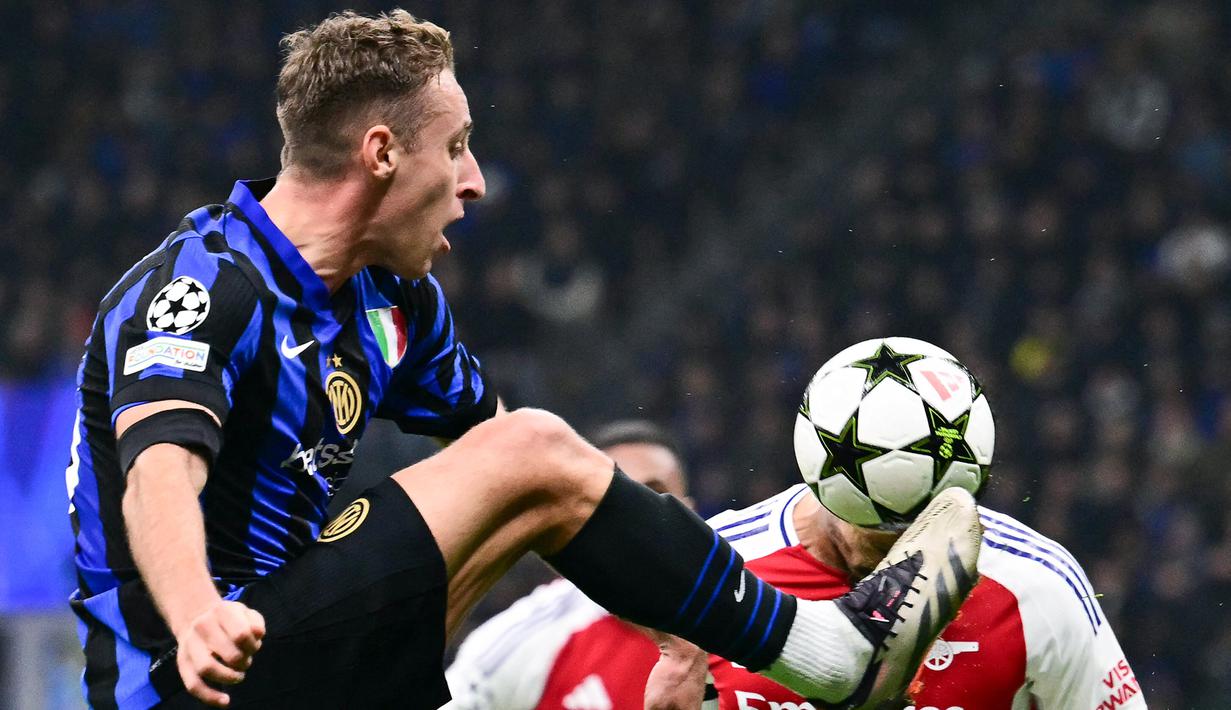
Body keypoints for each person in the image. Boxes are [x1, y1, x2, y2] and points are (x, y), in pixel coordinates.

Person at [64, 10, 982, 709]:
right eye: (456, 147)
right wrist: (198, 615)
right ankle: (832, 655)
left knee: (528, 452)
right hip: (194, 674)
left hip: (297, 648)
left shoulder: (394, 301)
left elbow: (554, 493)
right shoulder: (203, 283)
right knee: (531, 447)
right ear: (380, 154)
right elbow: (158, 475)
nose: (474, 182)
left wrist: (678, 635)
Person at [645, 358, 1145, 709]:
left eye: (920, 527)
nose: (901, 555)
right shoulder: (720, 564)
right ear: (828, 488)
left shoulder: (1035, 582)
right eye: (876, 530)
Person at [444, 420, 695, 709]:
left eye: (654, 493)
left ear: (691, 513)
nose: (637, 515)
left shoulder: (740, 607)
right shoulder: (519, 646)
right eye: (617, 499)